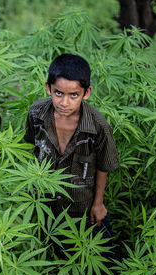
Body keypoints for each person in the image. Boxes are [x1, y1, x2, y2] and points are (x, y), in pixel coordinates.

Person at [23, 53, 120, 258]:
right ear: (48, 88)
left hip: (82, 207)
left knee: (103, 263)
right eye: (58, 93)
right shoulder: (36, 113)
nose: (64, 102)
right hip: (45, 204)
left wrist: (98, 203)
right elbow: (29, 147)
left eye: (73, 95)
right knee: (51, 258)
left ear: (86, 93)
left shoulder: (97, 125)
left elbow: (104, 165)